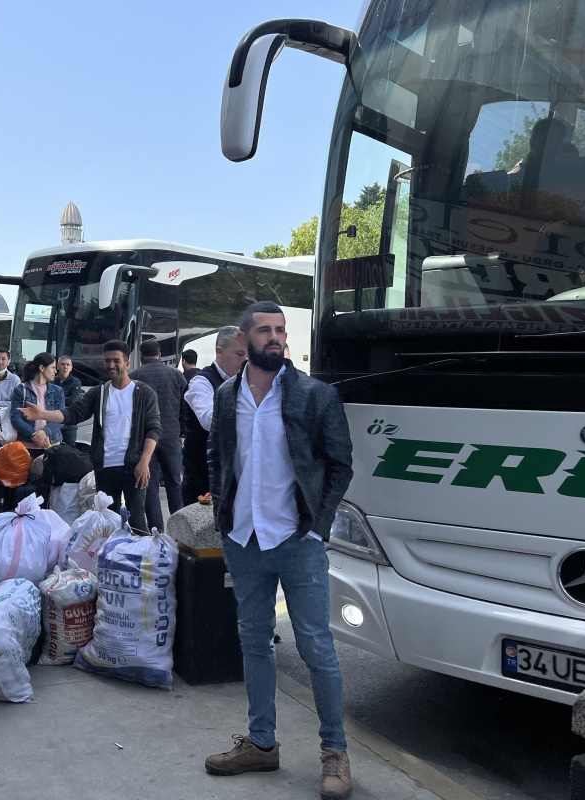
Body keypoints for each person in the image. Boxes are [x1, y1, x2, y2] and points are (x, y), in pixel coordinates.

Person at [204, 302, 355, 799]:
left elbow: (340, 466)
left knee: (317, 648)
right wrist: (225, 519)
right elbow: (217, 457)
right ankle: (262, 745)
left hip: (297, 540)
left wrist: (318, 528)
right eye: (265, 330)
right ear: (244, 340)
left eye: (280, 330)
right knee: (254, 643)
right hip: (245, 539)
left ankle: (335, 752)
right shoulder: (227, 396)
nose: (275, 338)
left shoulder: (316, 395)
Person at [19, 339, 160, 531]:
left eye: (116, 361)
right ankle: (111, 558)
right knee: (108, 520)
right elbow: (72, 414)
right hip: (105, 467)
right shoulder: (99, 392)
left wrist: (144, 461)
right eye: (107, 360)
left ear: (127, 363)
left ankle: (141, 556)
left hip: (134, 466)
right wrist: (41, 414)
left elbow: (153, 429)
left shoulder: (143, 392)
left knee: (136, 520)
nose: (111, 365)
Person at [180, 326, 245, 505]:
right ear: (219, 351)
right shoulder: (201, 382)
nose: (245, 360)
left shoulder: (244, 383)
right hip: (203, 481)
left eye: (248, 355)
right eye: (240, 354)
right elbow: (209, 421)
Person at [129, 340, 187, 531]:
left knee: (150, 485)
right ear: (160, 354)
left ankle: (157, 531)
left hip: (146, 439)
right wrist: (182, 432)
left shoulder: (135, 377)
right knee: (174, 483)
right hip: (172, 435)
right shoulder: (176, 375)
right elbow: (184, 405)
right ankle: (179, 530)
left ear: (141, 355)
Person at [10, 353, 65, 454]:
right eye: (53, 367)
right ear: (42, 368)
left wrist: (45, 432)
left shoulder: (58, 391)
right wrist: (34, 435)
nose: (55, 371)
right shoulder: (21, 390)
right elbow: (15, 417)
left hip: (52, 444)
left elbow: (61, 417)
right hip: (27, 446)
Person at [52, 355, 84, 445]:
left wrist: (56, 399)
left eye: (68, 365)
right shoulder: (51, 381)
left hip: (70, 423)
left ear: (71, 367)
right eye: (62, 364)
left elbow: (72, 401)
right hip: (53, 423)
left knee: (69, 452)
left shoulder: (76, 382)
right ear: (57, 366)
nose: (65, 367)